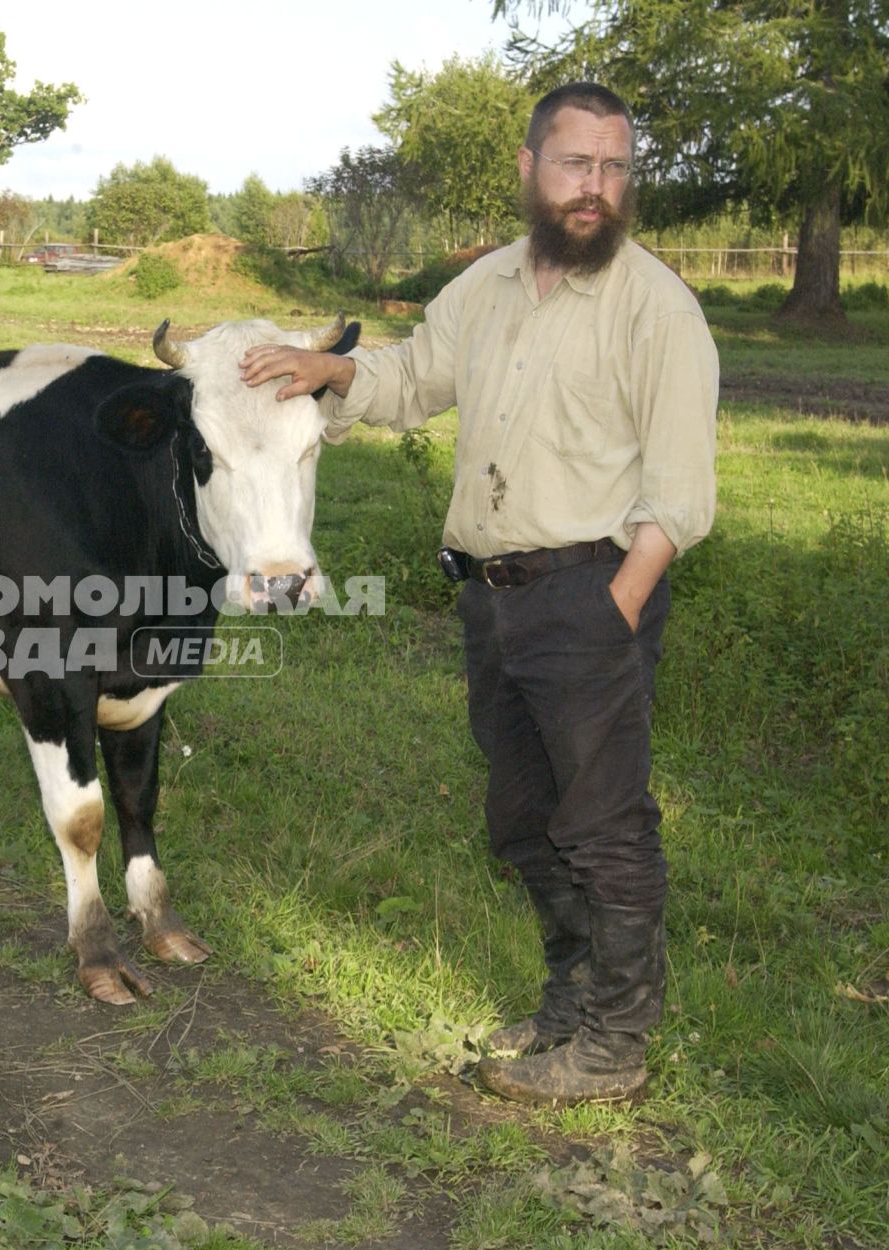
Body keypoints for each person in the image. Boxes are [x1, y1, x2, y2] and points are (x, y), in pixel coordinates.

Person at [240, 82, 717, 1105]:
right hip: (493, 599)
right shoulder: (489, 286)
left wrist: (616, 607)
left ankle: (617, 1044)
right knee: (524, 820)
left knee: (604, 824)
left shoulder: (655, 307)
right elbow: (412, 380)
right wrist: (325, 367)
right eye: (575, 164)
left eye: (615, 167)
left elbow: (680, 495)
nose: (596, 188)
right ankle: (568, 1004)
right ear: (528, 168)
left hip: (591, 593)